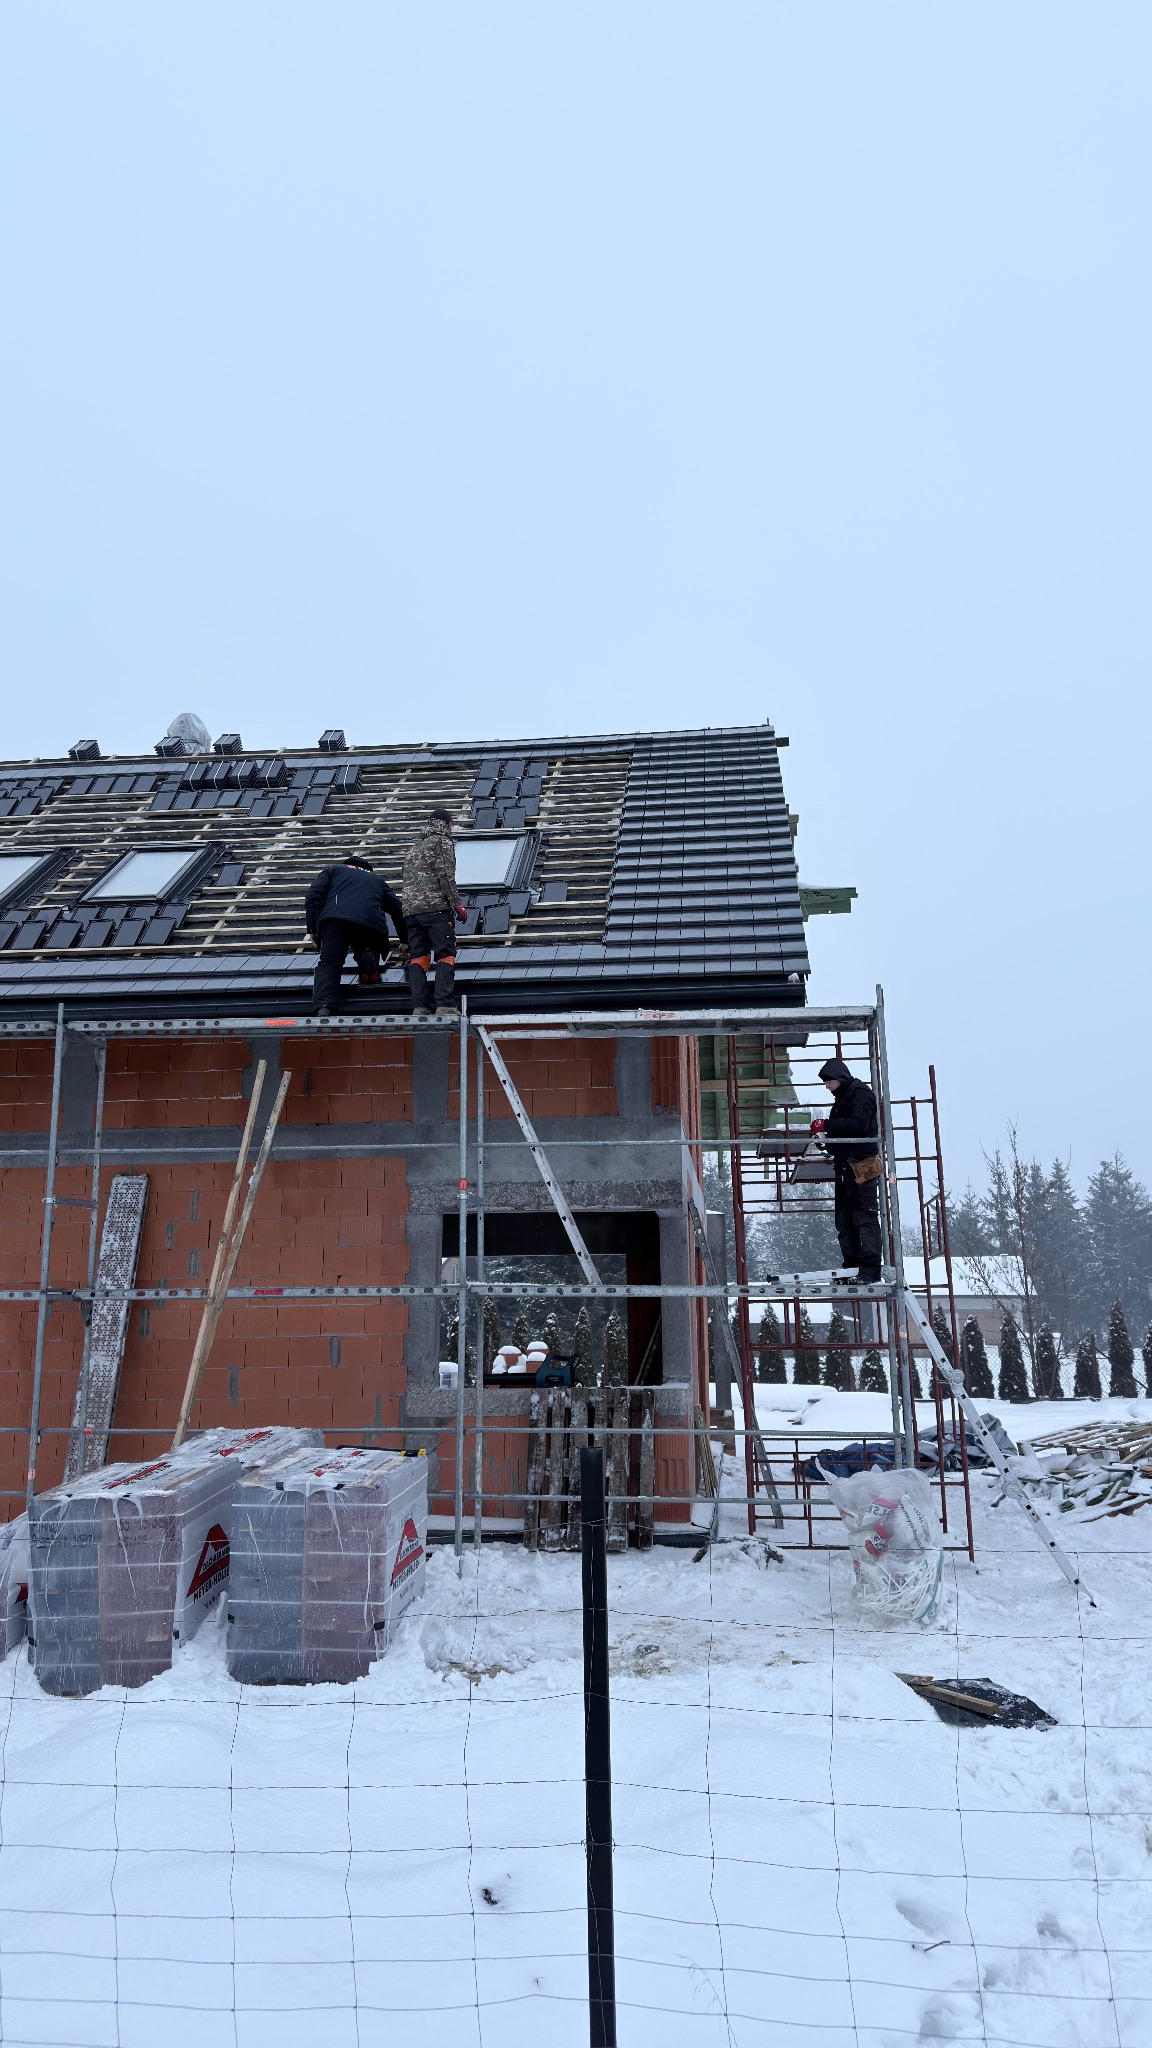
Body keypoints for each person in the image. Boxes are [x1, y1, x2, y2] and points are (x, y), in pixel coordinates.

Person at [304, 854, 407, 1016]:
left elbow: (313, 897)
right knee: (367, 944)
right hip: (371, 924)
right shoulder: (377, 880)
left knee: (330, 963)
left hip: (336, 921)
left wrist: (312, 928)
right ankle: (368, 955)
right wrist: (405, 940)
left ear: (347, 864)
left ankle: (324, 1006)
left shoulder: (333, 870)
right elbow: (397, 909)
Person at [811, 1057, 884, 1282]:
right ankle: (852, 1269)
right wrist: (826, 1141)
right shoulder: (844, 1097)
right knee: (845, 1220)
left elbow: (858, 1125)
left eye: (829, 1082)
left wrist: (827, 1126)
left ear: (839, 1078)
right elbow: (846, 1133)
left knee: (864, 1217)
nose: (827, 1087)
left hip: (862, 1164)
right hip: (846, 1165)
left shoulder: (860, 1094)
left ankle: (869, 1271)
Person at [401, 807, 466, 1016]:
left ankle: (420, 1007)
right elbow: (446, 875)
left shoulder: (414, 847)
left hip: (411, 912)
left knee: (418, 957)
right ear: (447, 825)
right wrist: (456, 904)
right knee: (445, 954)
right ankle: (445, 1004)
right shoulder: (442, 842)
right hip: (436, 909)